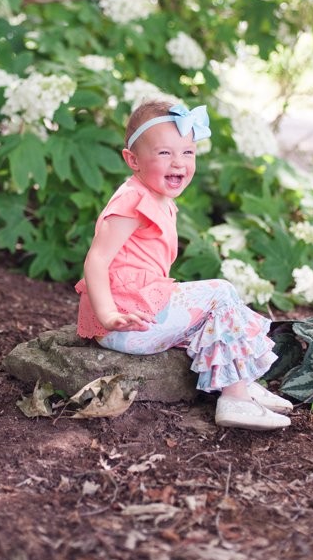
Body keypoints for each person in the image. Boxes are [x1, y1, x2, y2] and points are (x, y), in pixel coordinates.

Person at [75, 99, 293, 431]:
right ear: (133, 160)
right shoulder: (132, 200)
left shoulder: (157, 197)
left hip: (139, 315)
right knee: (221, 293)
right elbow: (96, 260)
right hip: (125, 324)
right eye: (164, 153)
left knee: (215, 310)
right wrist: (107, 315)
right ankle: (234, 398)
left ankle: (239, 380)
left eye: (188, 153)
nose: (178, 162)